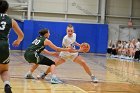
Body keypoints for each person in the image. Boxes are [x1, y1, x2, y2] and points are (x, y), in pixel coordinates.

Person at [28, 24, 98, 83]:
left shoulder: (74, 35)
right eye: (68, 31)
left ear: (73, 31)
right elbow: (70, 50)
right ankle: (44, 74)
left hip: (73, 54)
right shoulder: (65, 39)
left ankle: (92, 76)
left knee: (83, 63)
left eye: (71, 31)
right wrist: (80, 50)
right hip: (65, 54)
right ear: (66, 31)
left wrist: (79, 45)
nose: (70, 32)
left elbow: (74, 42)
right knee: (53, 64)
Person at [0, 0, 24, 93]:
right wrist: (18, 41)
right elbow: (21, 35)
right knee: (4, 70)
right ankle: (7, 84)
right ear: (6, 9)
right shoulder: (11, 20)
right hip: (4, 46)